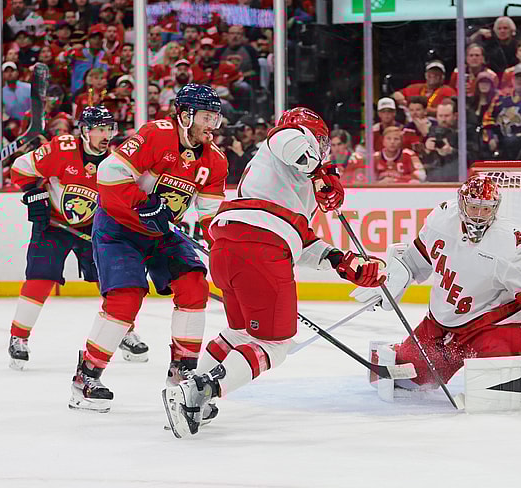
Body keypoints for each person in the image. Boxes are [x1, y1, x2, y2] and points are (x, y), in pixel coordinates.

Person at [161, 107, 386, 438]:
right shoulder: (288, 142)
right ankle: (201, 390)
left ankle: (184, 387)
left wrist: (341, 261)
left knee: (241, 334)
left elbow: (300, 239)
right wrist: (322, 170)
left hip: (231, 247)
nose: (321, 146)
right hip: (261, 250)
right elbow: (287, 138)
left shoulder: (285, 177)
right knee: (276, 344)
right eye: (320, 140)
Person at [350, 173, 521, 390]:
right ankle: (400, 350)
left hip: (491, 327)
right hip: (440, 324)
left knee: (496, 386)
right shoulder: (440, 220)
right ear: (461, 204)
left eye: (486, 209)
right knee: (406, 383)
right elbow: (420, 256)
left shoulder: (507, 241)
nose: (479, 216)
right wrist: (392, 278)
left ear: (495, 209)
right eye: (474, 207)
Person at [68, 84, 228, 413]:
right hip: (119, 227)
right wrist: (144, 205)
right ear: (185, 116)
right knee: (125, 298)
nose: (212, 124)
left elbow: (210, 216)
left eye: (216, 117)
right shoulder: (157, 134)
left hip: (161, 231)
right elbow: (109, 172)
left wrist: (224, 248)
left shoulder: (216, 161)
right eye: (206, 116)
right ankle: (86, 378)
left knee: (194, 283)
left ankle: (182, 369)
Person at [8, 107, 149, 369]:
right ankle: (19, 338)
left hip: (93, 228)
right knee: (41, 278)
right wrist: (33, 192)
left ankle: (124, 332)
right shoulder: (61, 149)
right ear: (85, 130)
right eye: (101, 129)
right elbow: (20, 168)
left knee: (115, 280)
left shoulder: (116, 162)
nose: (107, 135)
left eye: (110, 129)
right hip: (52, 224)